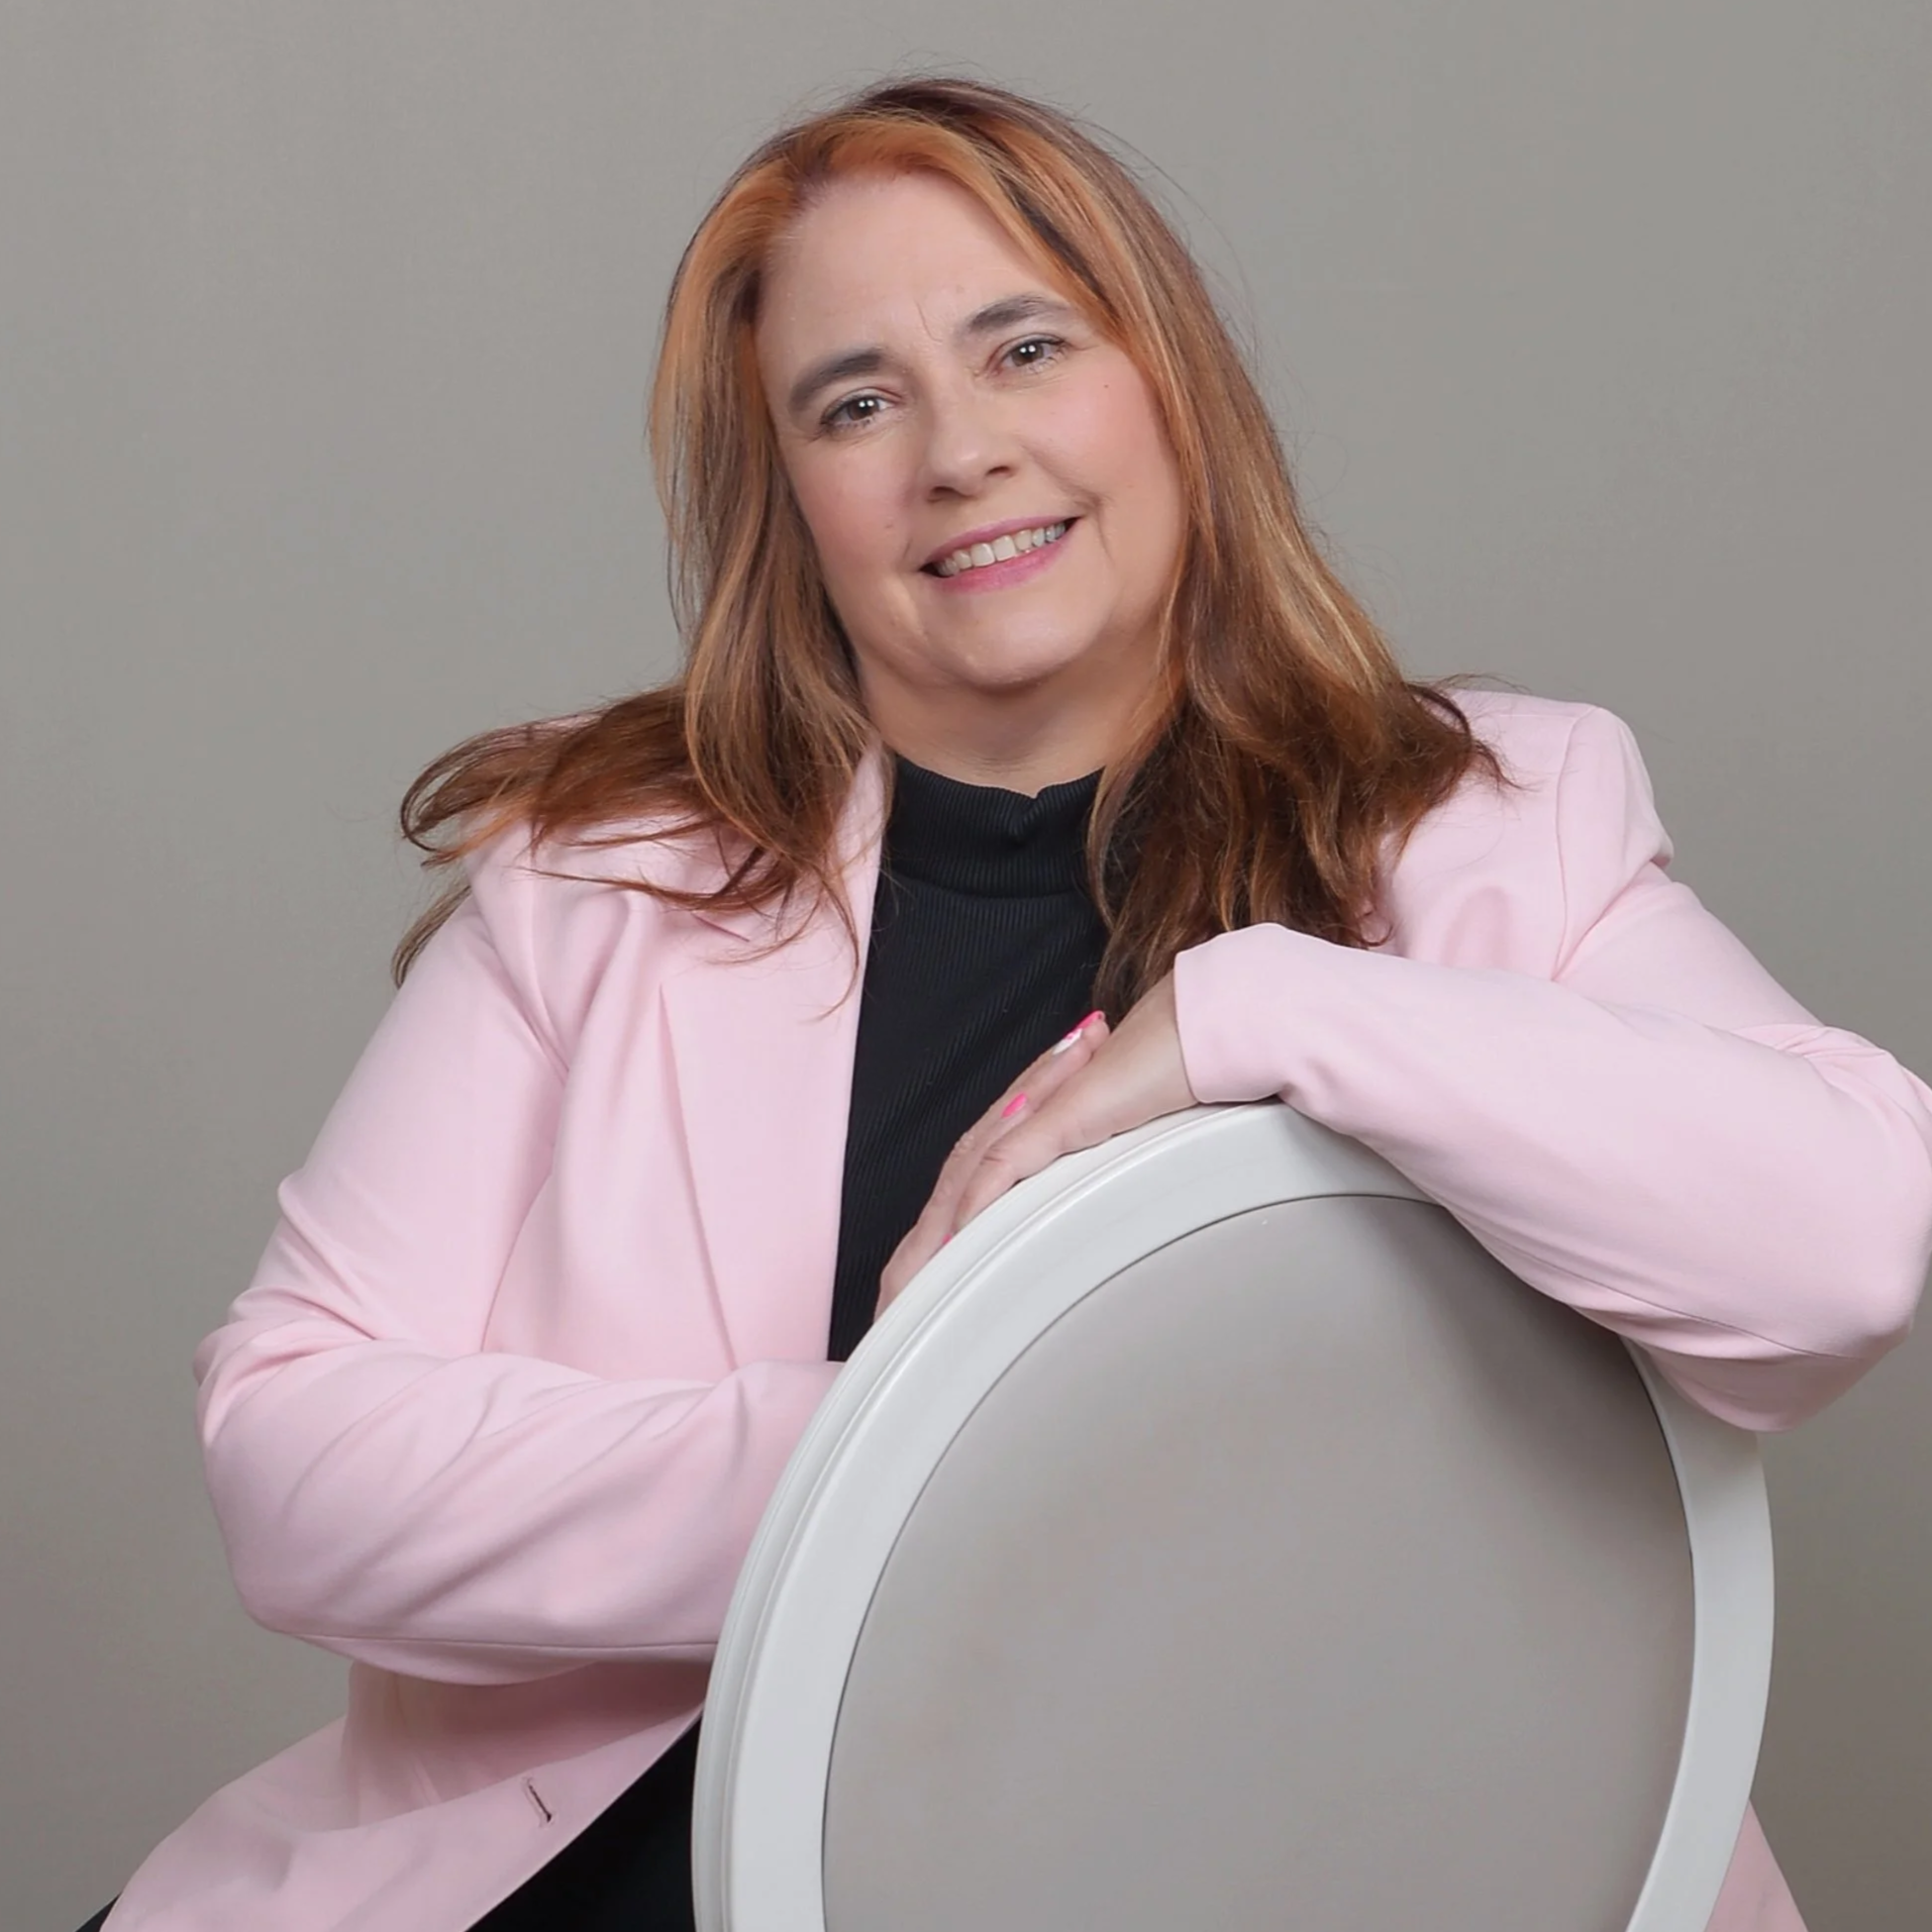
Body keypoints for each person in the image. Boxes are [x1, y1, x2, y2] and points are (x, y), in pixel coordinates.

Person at [85, 74, 1931, 1932]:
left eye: (1023, 346)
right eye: (856, 401)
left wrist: (1258, 1014)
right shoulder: (600, 877)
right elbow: (292, 1456)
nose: (956, 450)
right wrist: (925, 1448)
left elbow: (1847, 1243)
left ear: (1165, 388)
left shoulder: (1491, 831)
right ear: (792, 499)